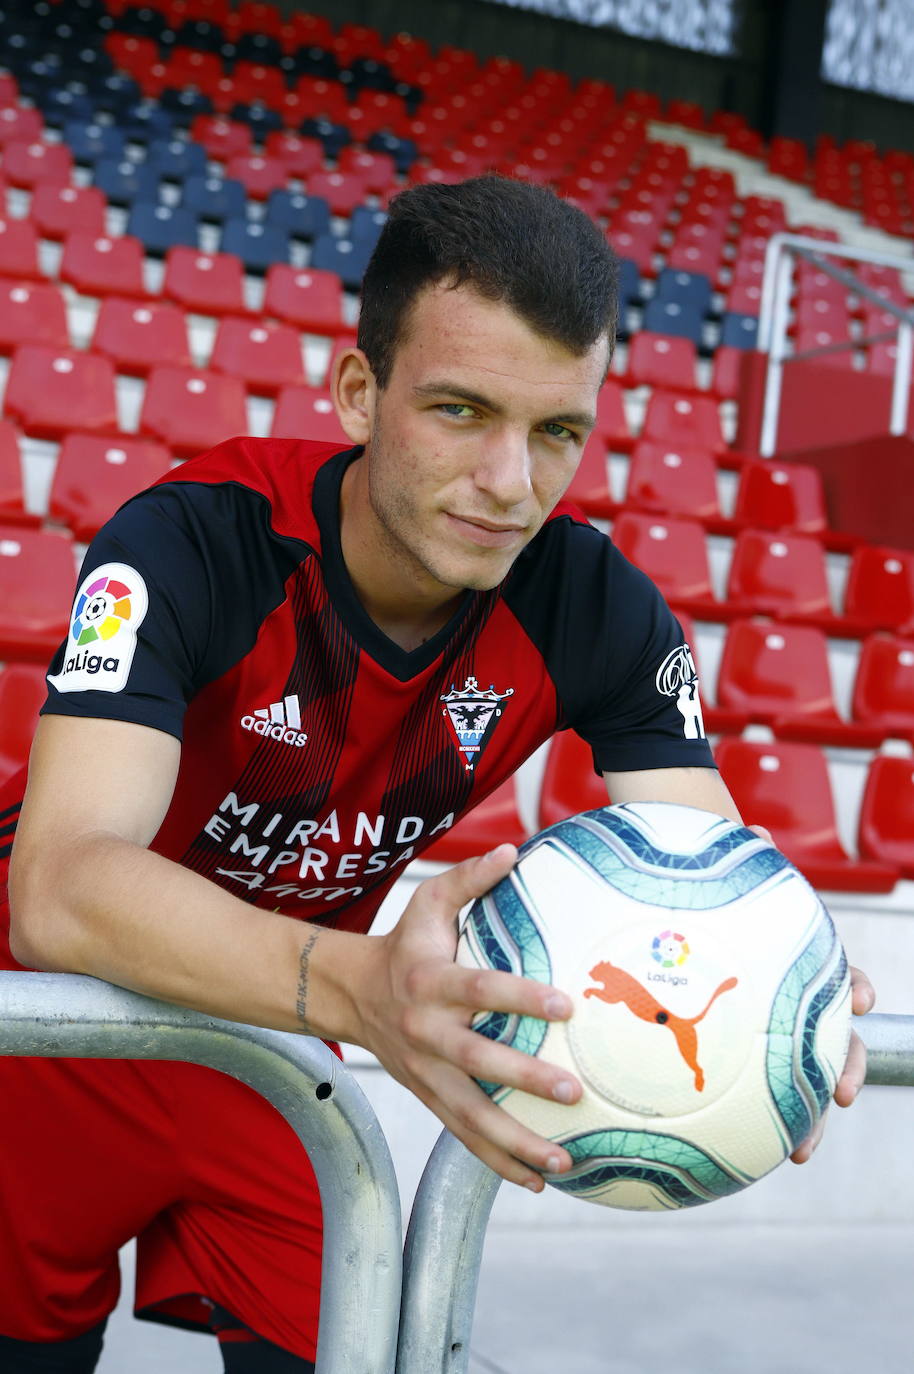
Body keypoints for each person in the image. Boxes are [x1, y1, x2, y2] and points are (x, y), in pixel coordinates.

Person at [0, 175, 872, 1372]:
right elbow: (57, 889)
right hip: (49, 1051)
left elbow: (712, 874)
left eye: (557, 430)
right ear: (360, 393)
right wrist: (360, 989)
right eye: (461, 411)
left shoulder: (593, 609)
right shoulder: (193, 538)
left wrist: (793, 984)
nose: (511, 481)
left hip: (264, 1055)